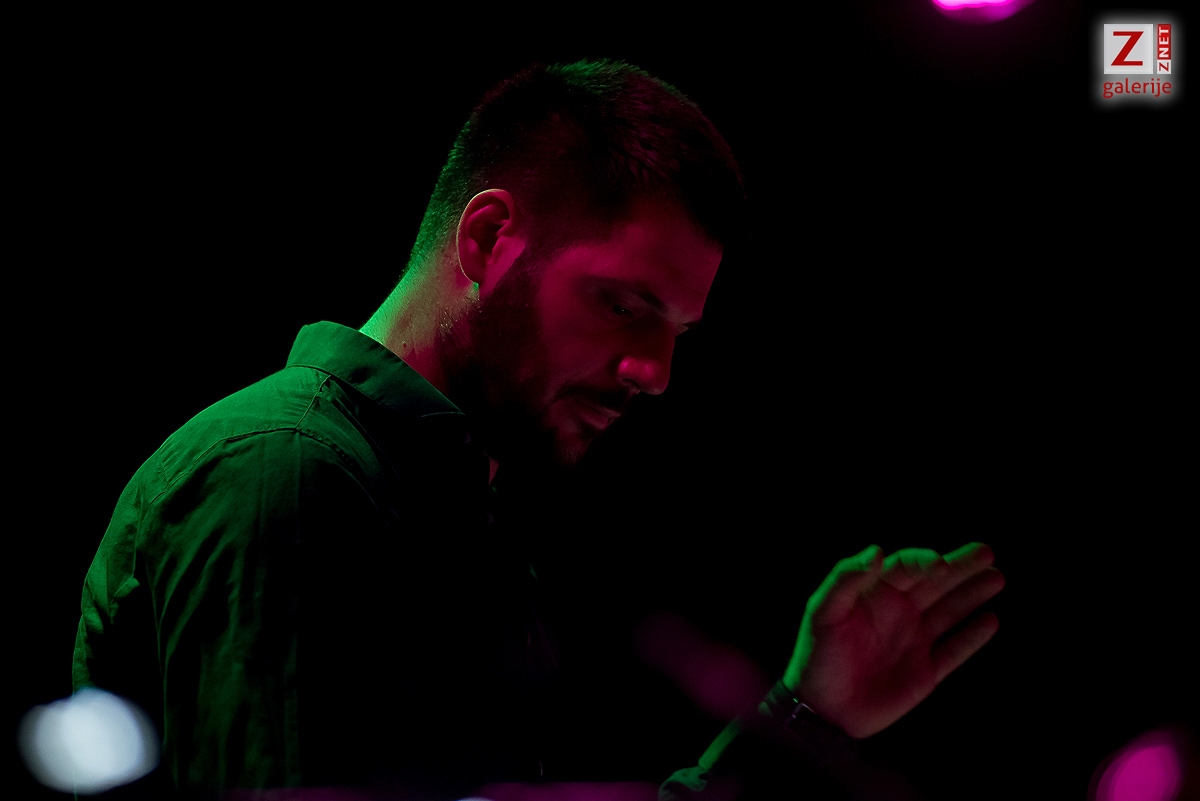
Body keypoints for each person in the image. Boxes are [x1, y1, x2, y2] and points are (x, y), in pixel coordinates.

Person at [74, 60, 1004, 800]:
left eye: (677, 334)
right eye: (623, 304)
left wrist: (806, 716)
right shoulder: (288, 472)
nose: (655, 372)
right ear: (487, 240)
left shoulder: (448, 505)